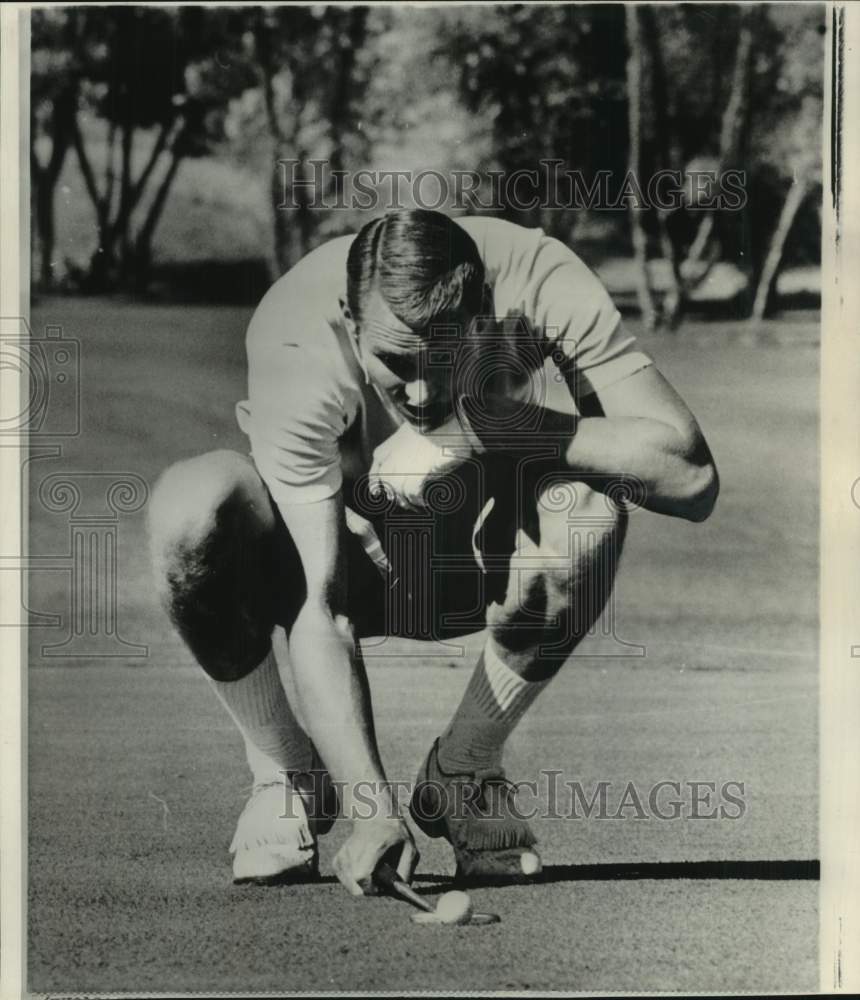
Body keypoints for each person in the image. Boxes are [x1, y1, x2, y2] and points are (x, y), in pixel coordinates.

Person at [147, 209, 718, 895]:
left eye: (444, 361)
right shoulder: (294, 333)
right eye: (393, 363)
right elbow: (319, 611)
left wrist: (488, 427)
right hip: (334, 571)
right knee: (190, 507)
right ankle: (285, 770)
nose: (419, 393)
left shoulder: (539, 277)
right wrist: (371, 810)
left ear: (484, 320)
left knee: (588, 514)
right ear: (352, 326)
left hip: (471, 564)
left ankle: (464, 771)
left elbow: (690, 478)